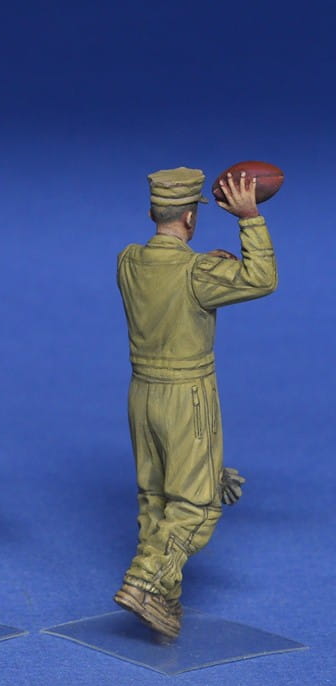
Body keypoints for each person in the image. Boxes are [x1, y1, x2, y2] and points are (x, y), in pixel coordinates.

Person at [114, 168, 276, 639]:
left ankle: (164, 594)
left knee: (155, 497)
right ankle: (145, 581)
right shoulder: (199, 272)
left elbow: (167, 274)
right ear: (191, 218)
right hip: (187, 394)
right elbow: (262, 278)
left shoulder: (128, 261)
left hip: (142, 392)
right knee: (197, 505)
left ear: (153, 212)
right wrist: (249, 218)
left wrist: (206, 263)